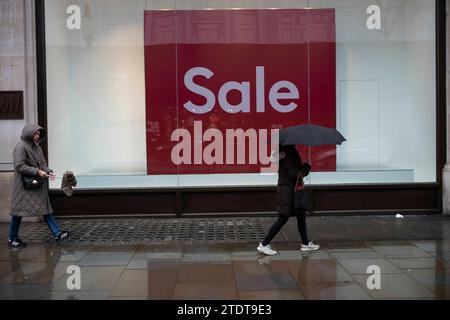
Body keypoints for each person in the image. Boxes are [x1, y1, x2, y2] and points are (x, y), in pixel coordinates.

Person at [8, 124, 70, 248]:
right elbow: (19, 165)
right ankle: (12, 238)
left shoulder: (37, 147)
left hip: (36, 184)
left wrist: (48, 171)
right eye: (35, 134)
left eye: (38, 134)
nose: (37, 136)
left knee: (45, 208)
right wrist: (37, 171)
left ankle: (57, 233)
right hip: (24, 186)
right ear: (29, 133)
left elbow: (42, 164)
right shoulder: (21, 146)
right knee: (18, 212)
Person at [257, 144, 319, 255]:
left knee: (301, 216)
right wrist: (307, 167)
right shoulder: (290, 154)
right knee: (283, 218)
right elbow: (294, 174)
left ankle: (305, 243)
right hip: (290, 193)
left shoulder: (283, 153)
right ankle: (264, 245)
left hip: (288, 191)